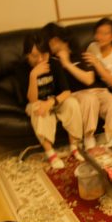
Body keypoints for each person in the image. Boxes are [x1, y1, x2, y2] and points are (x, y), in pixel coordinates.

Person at [41, 23, 112, 149]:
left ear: (55, 40)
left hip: (99, 90)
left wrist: (67, 64)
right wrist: (63, 63)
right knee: (89, 99)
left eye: (48, 43)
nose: (48, 47)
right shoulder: (53, 61)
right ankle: (89, 138)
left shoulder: (81, 54)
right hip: (76, 94)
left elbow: (89, 79)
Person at [15, 32, 84, 169]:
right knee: (38, 108)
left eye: (44, 54)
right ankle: (51, 154)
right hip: (36, 103)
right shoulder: (21, 69)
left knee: (72, 103)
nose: (40, 59)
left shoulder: (54, 63)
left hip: (54, 100)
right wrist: (33, 75)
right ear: (27, 55)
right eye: (35, 56)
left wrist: (51, 102)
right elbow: (32, 100)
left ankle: (74, 146)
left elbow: (66, 92)